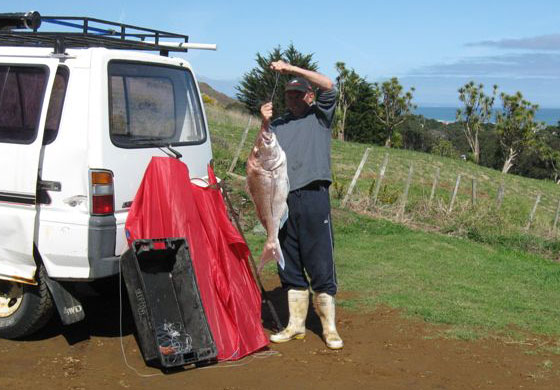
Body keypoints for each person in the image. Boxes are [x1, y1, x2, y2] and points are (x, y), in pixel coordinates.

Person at [260, 60, 343, 350]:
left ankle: (329, 328)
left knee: (320, 262)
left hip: (313, 196)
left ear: (309, 95)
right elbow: (262, 154)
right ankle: (295, 325)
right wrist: (265, 121)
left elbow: (329, 85)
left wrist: (292, 70)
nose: (293, 99)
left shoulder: (320, 116)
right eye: (289, 95)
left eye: (299, 94)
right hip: (282, 200)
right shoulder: (279, 125)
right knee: (290, 264)